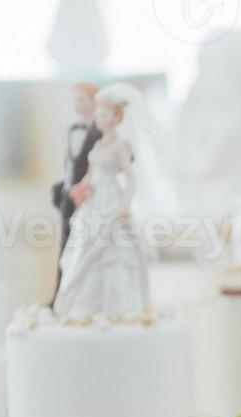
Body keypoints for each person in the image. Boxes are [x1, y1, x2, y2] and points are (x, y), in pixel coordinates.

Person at [52, 86, 149, 317]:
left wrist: (124, 204)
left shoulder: (120, 145)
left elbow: (131, 178)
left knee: (109, 250)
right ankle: (77, 305)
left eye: (105, 114)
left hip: (110, 199)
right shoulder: (98, 145)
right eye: (99, 114)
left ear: (116, 118)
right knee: (84, 246)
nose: (100, 118)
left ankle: (113, 307)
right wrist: (82, 186)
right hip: (93, 200)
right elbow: (91, 173)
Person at [51, 82, 101, 303]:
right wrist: (64, 187)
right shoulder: (70, 130)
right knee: (65, 246)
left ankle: (87, 298)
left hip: (92, 198)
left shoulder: (101, 132)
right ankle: (60, 296)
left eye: (82, 100)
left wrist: (88, 187)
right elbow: (69, 164)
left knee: (87, 248)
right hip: (69, 196)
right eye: (75, 100)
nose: (78, 105)